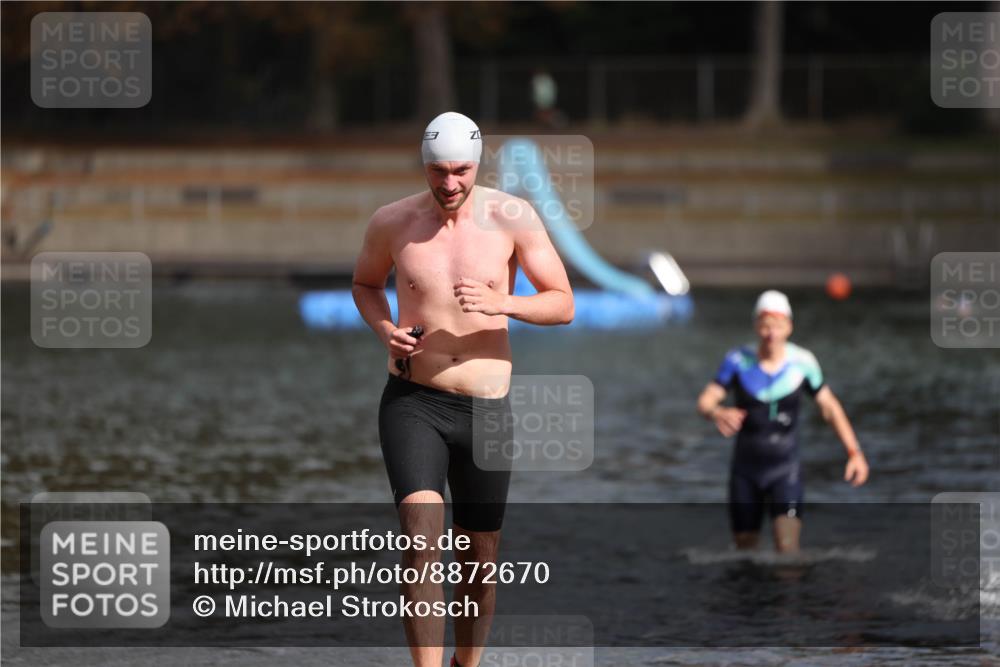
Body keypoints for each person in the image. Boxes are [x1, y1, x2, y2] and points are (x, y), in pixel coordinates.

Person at [352, 111, 574, 667]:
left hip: (486, 410)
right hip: (412, 403)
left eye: (460, 170)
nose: (449, 183)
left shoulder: (512, 217)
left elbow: (563, 302)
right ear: (423, 166)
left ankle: (465, 664)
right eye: (437, 171)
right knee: (420, 543)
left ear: (477, 164)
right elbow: (365, 284)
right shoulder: (392, 221)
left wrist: (503, 303)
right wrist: (385, 328)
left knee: (479, 556)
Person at [696, 290, 869, 553]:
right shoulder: (738, 361)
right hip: (745, 471)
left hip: (784, 470)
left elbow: (831, 408)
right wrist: (717, 412)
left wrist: (854, 452)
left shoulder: (802, 363)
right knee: (744, 552)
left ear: (788, 327)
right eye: (765, 326)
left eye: (777, 326)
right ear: (756, 326)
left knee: (787, 550)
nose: (771, 334)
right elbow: (706, 400)